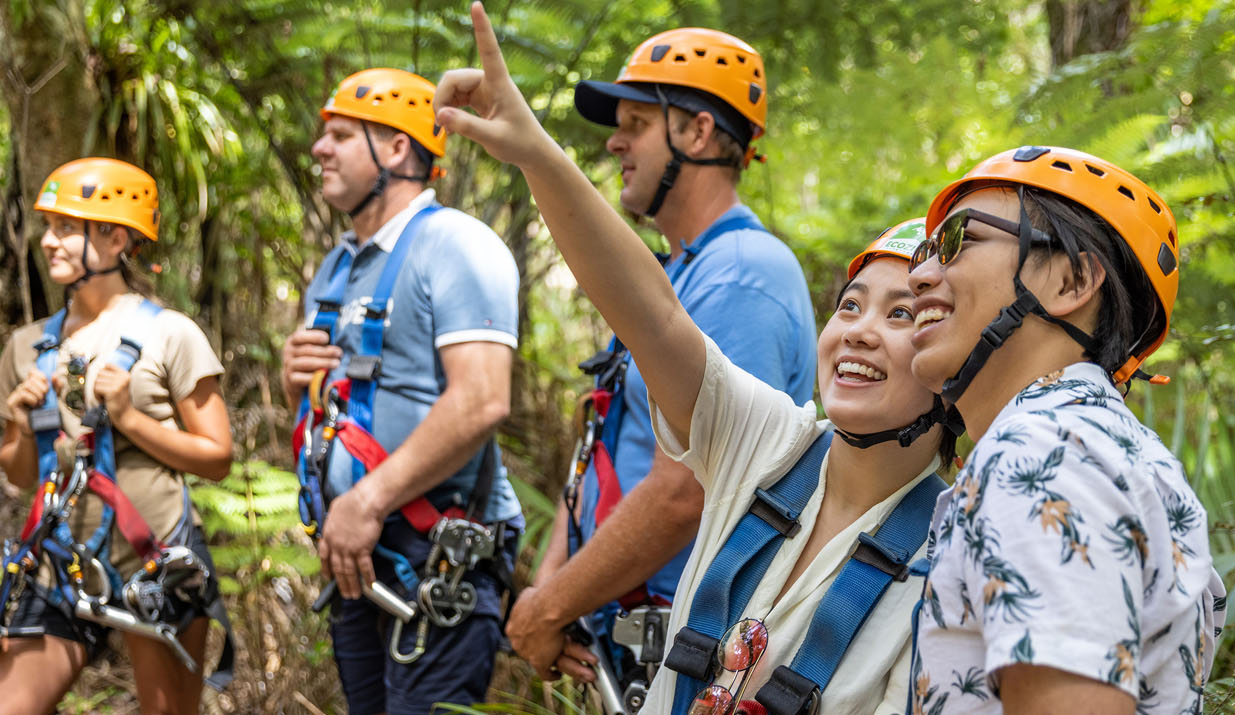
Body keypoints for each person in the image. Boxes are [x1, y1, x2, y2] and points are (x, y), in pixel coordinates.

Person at [433, 6, 961, 712]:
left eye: (902, 314)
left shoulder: (952, 558)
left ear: (952, 363)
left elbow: (674, 487)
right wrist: (535, 151)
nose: (859, 330)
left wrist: (554, 599)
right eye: (850, 304)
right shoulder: (771, 444)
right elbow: (652, 317)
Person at [504, 23, 819, 695]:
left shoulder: (741, 275)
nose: (615, 141)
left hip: (690, 650)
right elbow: (606, 440)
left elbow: (687, 487)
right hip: (636, 641)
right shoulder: (683, 270)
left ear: (699, 134)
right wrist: (551, 591)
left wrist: (553, 603)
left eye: (637, 123)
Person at [905, 146, 1226, 713]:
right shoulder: (1099, 445)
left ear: (1071, 279)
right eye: (925, 253)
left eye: (957, 242)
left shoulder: (1042, 454)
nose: (921, 276)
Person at [281, 67, 522, 713]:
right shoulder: (339, 264)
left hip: (434, 544)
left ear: (395, 149)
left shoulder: (457, 243)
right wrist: (296, 381)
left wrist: (368, 499)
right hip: (356, 543)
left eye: (338, 135)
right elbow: (340, 404)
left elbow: (481, 399)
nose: (318, 149)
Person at [0, 157, 234, 715]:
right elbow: (21, 475)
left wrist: (130, 418)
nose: (48, 241)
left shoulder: (169, 334)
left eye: (66, 228)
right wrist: (17, 424)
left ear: (115, 238)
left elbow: (217, 457)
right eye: (48, 226)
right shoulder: (27, 345)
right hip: (59, 559)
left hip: (153, 559)